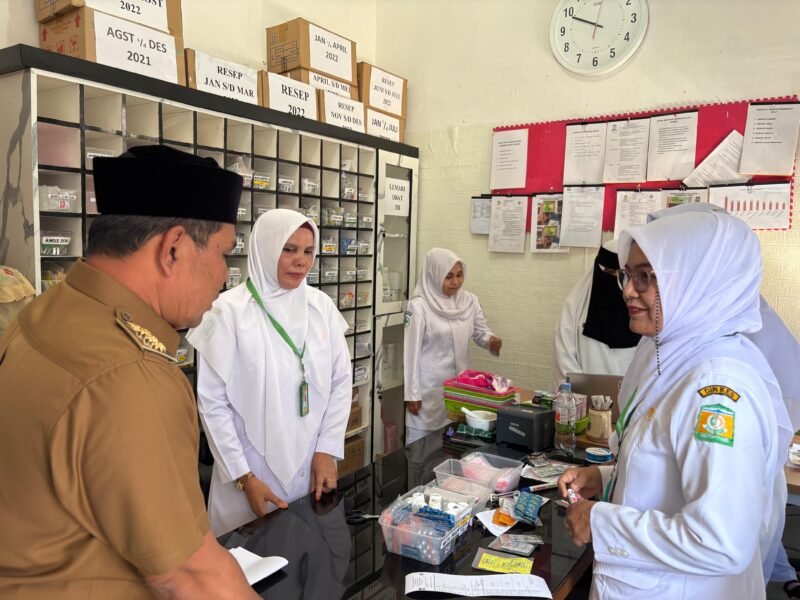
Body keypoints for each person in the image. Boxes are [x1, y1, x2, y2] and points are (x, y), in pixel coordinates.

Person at [0, 145, 258, 598]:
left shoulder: (48, 310)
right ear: (173, 248)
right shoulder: (128, 375)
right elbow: (190, 576)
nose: (224, 276)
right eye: (223, 254)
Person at [557, 209, 793, 598]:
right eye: (627, 275)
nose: (628, 291)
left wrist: (601, 524)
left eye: (646, 276)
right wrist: (606, 478)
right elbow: (668, 464)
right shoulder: (667, 353)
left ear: (697, 283)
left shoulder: (717, 390)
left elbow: (719, 540)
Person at [188, 209, 352, 536]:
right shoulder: (225, 312)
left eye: (308, 251)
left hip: (311, 467)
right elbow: (212, 402)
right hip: (248, 475)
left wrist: (327, 449)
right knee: (250, 571)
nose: (301, 261)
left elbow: (340, 381)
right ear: (265, 248)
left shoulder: (321, 308)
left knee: (307, 569)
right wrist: (243, 476)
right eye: (288, 249)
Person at [404, 248, 502, 445]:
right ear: (434, 275)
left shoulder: (469, 301)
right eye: (448, 277)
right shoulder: (419, 306)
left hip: (460, 389)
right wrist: (411, 393)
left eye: (459, 275)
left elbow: (480, 332)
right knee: (421, 450)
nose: (455, 282)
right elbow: (410, 351)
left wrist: (490, 340)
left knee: (454, 444)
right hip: (428, 390)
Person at [552, 239, 640, 390]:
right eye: (609, 271)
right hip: (584, 403)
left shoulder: (645, 312)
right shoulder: (575, 307)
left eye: (622, 274)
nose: (615, 279)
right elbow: (564, 362)